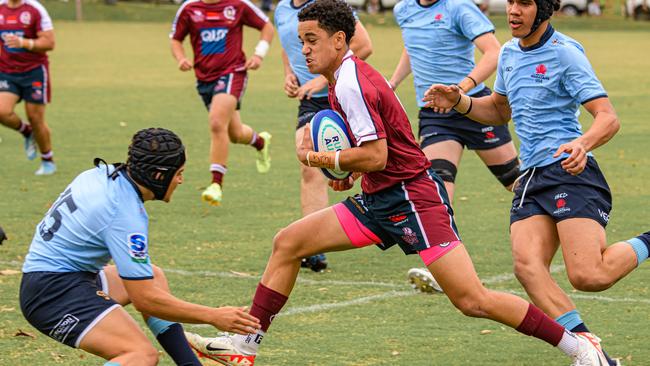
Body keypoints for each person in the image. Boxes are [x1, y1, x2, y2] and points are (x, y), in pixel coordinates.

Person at [183, 1, 608, 365]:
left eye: (311, 40)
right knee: (288, 242)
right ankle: (246, 344)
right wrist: (346, 171)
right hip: (377, 200)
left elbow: (378, 155)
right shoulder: (344, 77)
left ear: (338, 40)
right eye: (301, 40)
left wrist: (322, 158)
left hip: (413, 200)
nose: (303, 49)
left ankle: (578, 346)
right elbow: (370, 152)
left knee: (472, 299)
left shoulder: (351, 81)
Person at [422, 0, 650, 365]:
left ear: (544, 10)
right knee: (527, 267)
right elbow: (498, 111)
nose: (513, 10)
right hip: (531, 178)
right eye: (511, 2)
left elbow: (607, 116)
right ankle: (594, 356)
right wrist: (461, 101)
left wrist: (582, 143)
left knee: (589, 275)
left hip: (569, 172)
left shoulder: (566, 54)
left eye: (524, 3)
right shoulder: (509, 53)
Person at [20, 128, 261, 366]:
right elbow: (145, 300)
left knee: (153, 277)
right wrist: (213, 316)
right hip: (51, 295)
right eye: (179, 173)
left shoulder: (101, 173)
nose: (181, 180)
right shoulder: (124, 213)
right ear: (159, 176)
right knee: (141, 356)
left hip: (63, 278)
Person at [389, 0, 520, 294]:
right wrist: (393, 82)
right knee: (436, 186)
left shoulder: (459, 7)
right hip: (435, 115)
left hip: (474, 107)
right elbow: (413, 47)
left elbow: (494, 51)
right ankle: (443, 266)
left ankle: (566, 218)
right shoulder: (403, 10)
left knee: (517, 182)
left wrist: (461, 88)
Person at [275, 0, 372, 272]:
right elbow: (288, 45)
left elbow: (364, 46)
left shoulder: (328, 6)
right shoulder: (282, 8)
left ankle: (390, 218)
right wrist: (288, 74)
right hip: (311, 103)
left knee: (367, 162)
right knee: (310, 166)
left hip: (342, 92)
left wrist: (320, 79)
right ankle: (312, 245)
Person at [171, 0, 275, 206]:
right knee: (234, 134)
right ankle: (260, 142)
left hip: (233, 72)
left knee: (217, 122)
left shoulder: (237, 5)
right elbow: (176, 39)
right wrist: (181, 58)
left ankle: (216, 184)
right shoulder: (189, 8)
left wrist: (258, 55)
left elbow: (267, 27)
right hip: (204, 79)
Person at [0, 0, 56, 175]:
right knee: (2, 111)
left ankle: (48, 161)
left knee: (35, 118)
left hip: (34, 72)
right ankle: (27, 132)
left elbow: (49, 43)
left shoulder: (35, 9)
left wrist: (24, 43)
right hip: (7, 71)